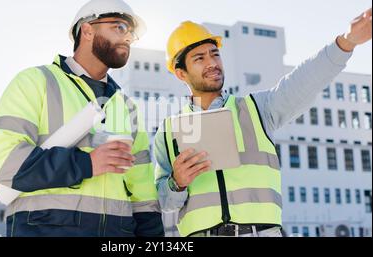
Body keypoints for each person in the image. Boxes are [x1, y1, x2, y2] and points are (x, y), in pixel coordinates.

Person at [155, 9, 372, 237]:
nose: (212, 63)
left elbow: (304, 81)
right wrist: (176, 183)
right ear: (181, 74)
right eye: (200, 58)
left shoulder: (256, 109)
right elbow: (161, 202)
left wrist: (346, 42)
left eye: (214, 54)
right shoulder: (169, 132)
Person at [0, 0, 164, 237]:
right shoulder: (35, 82)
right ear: (88, 30)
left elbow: (143, 194)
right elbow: (4, 162)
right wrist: (86, 164)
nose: (128, 37)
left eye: (131, 33)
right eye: (120, 27)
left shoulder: (127, 107)